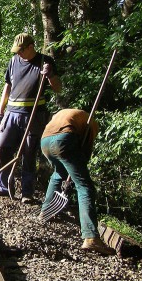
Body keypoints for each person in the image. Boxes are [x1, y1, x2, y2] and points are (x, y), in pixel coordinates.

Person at [0, 32, 62, 203]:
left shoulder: (45, 62)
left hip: (34, 115)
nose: (18, 53)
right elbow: (7, 86)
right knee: (1, 147)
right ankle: (4, 186)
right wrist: (0, 111)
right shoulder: (14, 61)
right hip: (12, 113)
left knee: (29, 153)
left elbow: (58, 88)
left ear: (31, 47)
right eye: (17, 51)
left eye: (21, 50)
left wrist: (50, 75)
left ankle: (27, 193)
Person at [39, 109, 115, 255]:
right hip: (64, 140)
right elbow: (86, 151)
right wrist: (77, 172)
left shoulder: (68, 115)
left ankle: (46, 211)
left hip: (45, 142)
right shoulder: (92, 124)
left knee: (58, 173)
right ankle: (91, 237)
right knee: (85, 186)